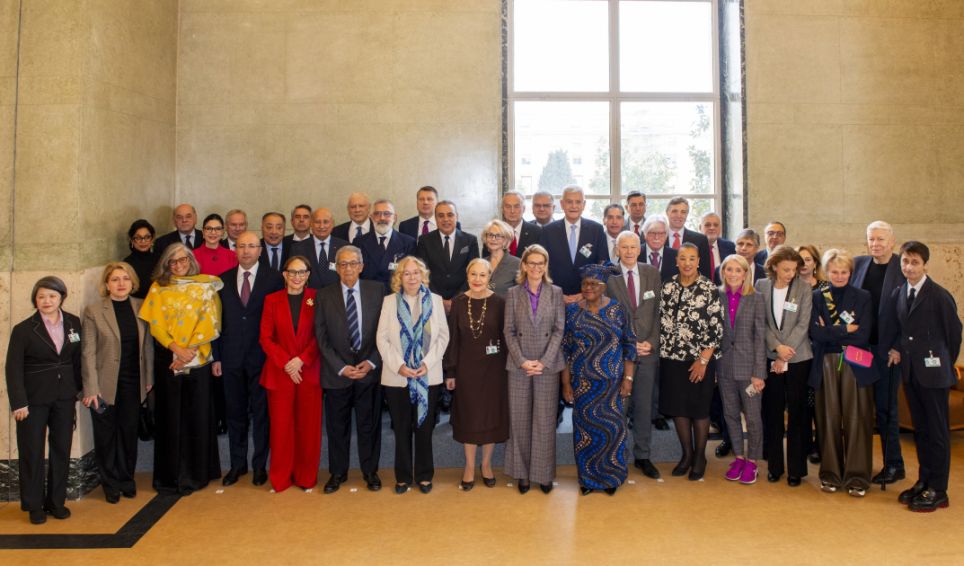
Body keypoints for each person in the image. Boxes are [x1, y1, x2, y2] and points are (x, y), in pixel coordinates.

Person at [885, 241, 962, 512]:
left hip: (934, 376)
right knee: (922, 430)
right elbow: (903, 331)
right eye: (905, 262)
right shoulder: (899, 292)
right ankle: (924, 481)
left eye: (915, 262)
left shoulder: (939, 295)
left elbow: (954, 335)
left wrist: (942, 365)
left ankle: (938, 490)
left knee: (937, 432)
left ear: (925, 265)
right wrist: (897, 349)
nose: (909, 267)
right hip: (911, 373)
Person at [139, 243, 222, 495]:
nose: (178, 265)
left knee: (197, 416)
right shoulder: (158, 288)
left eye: (183, 260)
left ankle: (198, 474)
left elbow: (211, 322)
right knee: (170, 417)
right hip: (169, 360)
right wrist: (176, 348)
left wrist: (188, 352)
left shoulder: (205, 285)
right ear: (166, 264)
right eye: (173, 262)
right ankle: (170, 476)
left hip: (197, 360)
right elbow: (155, 324)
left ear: (191, 260)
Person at [6, 277, 82, 524]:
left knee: (61, 449)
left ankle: (56, 502)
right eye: (41, 297)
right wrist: (19, 402)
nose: (46, 301)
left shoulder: (74, 323)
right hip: (33, 400)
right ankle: (34, 505)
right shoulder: (23, 329)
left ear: (61, 297)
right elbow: (13, 369)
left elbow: (77, 360)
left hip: (65, 397)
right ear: (35, 300)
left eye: (52, 296)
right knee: (32, 451)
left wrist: (80, 389)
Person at [376, 256, 450, 494]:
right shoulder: (389, 302)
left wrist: (427, 364)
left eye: (415, 273)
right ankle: (403, 476)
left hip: (427, 375)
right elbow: (382, 338)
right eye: (406, 273)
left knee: (424, 428)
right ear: (399, 277)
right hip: (398, 376)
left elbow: (443, 337)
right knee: (402, 428)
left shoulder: (435, 300)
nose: (411, 277)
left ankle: (425, 475)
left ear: (423, 276)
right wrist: (399, 365)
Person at [81, 262, 154, 503]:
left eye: (125, 278)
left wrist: (149, 378)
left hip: (134, 383)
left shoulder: (141, 306)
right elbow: (87, 352)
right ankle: (110, 483)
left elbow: (148, 346)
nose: (121, 283)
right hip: (104, 386)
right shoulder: (94, 311)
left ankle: (126, 479)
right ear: (106, 284)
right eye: (115, 279)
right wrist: (91, 388)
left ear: (133, 282)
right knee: (106, 436)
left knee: (128, 433)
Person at [216, 232, 284, 487]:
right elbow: (216, 322)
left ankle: (259, 466)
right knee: (235, 414)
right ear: (234, 250)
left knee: (261, 414)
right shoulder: (222, 281)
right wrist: (216, 357)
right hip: (231, 357)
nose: (246, 251)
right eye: (241, 246)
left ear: (260, 250)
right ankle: (237, 465)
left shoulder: (274, 279)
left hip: (263, 358)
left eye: (252, 246)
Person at [562, 263, 636, 495]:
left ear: (604, 286)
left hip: (612, 383)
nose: (588, 288)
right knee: (585, 434)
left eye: (594, 284)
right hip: (583, 384)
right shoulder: (572, 311)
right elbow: (564, 350)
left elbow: (629, 344)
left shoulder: (617, 309)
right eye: (585, 284)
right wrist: (565, 383)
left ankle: (611, 478)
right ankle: (588, 480)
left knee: (612, 431)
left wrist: (628, 378)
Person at [316, 246, 385, 493]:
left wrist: (373, 362)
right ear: (336, 268)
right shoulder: (324, 295)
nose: (348, 268)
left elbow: (386, 332)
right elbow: (321, 337)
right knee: (337, 428)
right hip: (338, 375)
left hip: (369, 372)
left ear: (361, 266)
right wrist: (341, 367)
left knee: (369, 426)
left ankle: (370, 471)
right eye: (343, 264)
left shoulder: (378, 291)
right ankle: (337, 473)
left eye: (353, 263)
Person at [808, 248, 876, 497]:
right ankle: (830, 475)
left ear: (851, 272)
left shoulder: (863, 296)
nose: (839, 276)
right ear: (826, 272)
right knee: (828, 420)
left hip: (856, 364)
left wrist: (831, 330)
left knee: (858, 420)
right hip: (825, 363)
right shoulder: (817, 297)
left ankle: (858, 477)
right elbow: (815, 333)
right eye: (834, 272)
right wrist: (846, 329)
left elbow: (863, 334)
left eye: (844, 272)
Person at [503, 244, 565, 494]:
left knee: (545, 422)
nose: (536, 267)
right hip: (519, 366)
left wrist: (544, 361)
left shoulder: (556, 292)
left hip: (546, 366)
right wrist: (522, 360)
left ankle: (543, 474)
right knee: (519, 421)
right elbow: (508, 330)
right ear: (524, 266)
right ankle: (522, 474)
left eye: (541, 263)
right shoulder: (513, 293)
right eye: (532, 263)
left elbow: (559, 329)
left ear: (546, 266)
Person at [659, 243, 723, 481]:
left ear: (698, 261)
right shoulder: (667, 286)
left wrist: (703, 360)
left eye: (692, 258)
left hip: (700, 359)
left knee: (699, 409)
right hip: (671, 359)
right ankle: (687, 455)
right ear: (676, 261)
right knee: (679, 408)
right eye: (683, 258)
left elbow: (716, 327)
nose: (687, 263)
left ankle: (700, 457)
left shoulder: (708, 287)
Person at [444, 258, 510, 491]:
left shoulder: (500, 303)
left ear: (489, 277)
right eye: (473, 274)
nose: (477, 279)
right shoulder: (458, 302)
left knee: (490, 416)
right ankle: (470, 467)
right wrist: (451, 372)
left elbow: (506, 338)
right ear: (467, 275)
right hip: (466, 371)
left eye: (483, 275)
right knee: (470, 417)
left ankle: (487, 465)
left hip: (494, 370)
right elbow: (452, 340)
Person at [259, 256, 322, 492]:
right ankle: (281, 478)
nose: (297, 276)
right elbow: (265, 338)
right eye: (292, 272)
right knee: (281, 428)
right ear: (284, 274)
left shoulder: (317, 298)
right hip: (280, 372)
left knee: (309, 428)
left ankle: (306, 477)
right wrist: (287, 362)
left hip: (309, 372)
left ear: (308, 275)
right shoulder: (272, 300)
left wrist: (301, 360)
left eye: (302, 272)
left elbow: (321, 335)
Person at [851, 221, 906, 485]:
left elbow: (909, 315)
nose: (875, 244)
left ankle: (894, 465)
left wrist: (898, 347)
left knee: (886, 410)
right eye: (871, 239)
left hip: (888, 353)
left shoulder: (902, 269)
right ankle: (860, 463)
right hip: (861, 351)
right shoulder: (858, 264)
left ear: (892, 242)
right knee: (861, 409)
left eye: (881, 239)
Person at [605, 232, 662, 480]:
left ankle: (643, 456)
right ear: (617, 250)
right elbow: (605, 316)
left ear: (640, 249)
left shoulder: (652, 273)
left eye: (633, 247)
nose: (629, 251)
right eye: (624, 247)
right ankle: (616, 456)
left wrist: (652, 342)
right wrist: (626, 343)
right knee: (620, 405)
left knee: (644, 405)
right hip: (620, 353)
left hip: (647, 352)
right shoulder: (609, 276)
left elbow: (659, 313)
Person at [756, 246, 813, 486]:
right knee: (773, 413)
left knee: (798, 414)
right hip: (772, 356)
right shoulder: (761, 286)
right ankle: (775, 466)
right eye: (786, 269)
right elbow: (761, 322)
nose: (791, 274)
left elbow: (803, 324)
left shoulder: (804, 288)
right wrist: (776, 348)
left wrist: (785, 352)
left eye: (794, 270)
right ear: (774, 266)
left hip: (798, 358)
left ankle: (796, 470)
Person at [716, 255, 766, 485]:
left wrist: (759, 373)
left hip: (749, 370)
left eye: (738, 270)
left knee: (753, 417)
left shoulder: (756, 298)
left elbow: (760, 338)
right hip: (724, 366)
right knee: (730, 414)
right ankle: (738, 457)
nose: (733, 274)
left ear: (746, 273)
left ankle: (752, 461)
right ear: (723, 272)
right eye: (729, 269)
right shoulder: (717, 296)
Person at [538, 185, 609, 300]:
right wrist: (557, 294)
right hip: (555, 297)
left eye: (578, 202)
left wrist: (585, 293)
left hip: (589, 298)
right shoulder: (548, 231)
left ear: (584, 204)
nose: (574, 206)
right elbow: (542, 266)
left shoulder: (597, 230)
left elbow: (603, 265)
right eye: (569, 202)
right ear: (562, 204)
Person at [415, 200, 479, 312]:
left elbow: (473, 273)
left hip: (463, 301)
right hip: (432, 302)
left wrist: (456, 300)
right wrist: (438, 300)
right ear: (435, 218)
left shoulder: (470, 240)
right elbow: (422, 272)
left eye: (450, 215)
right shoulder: (424, 241)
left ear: (457, 217)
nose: (445, 219)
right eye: (441, 216)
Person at [358, 199, 416, 293]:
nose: (382, 218)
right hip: (368, 295)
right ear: (371, 218)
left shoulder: (408, 243)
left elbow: (411, 276)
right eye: (377, 214)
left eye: (387, 214)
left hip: (397, 295)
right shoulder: (359, 242)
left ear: (395, 218)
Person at [290, 207, 348, 290]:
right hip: (308, 295)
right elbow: (293, 277)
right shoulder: (297, 249)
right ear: (311, 224)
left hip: (336, 295)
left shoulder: (345, 247)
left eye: (325, 222)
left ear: (332, 224)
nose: (321, 226)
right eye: (317, 222)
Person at [664, 197, 713, 279]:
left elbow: (705, 273)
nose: (679, 216)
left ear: (687, 214)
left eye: (683, 212)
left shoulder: (700, 240)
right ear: (667, 213)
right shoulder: (658, 239)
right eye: (674, 211)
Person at [481, 219, 521, 297]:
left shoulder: (517, 264)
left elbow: (520, 295)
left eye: (498, 236)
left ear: (506, 240)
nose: (493, 239)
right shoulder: (480, 263)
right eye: (490, 235)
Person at [498, 190, 542, 257]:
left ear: (523, 209)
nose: (512, 211)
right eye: (508, 206)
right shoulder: (493, 232)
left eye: (516, 206)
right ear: (502, 209)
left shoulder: (537, 232)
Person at [123, 219, 158, 299]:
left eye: (147, 237)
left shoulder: (160, 259)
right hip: (138, 304)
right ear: (132, 240)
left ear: (152, 239)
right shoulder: (126, 264)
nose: (143, 241)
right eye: (138, 238)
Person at [640, 214, 678, 283]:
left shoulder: (676, 256)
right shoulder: (635, 253)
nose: (656, 237)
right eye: (652, 233)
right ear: (645, 234)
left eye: (661, 233)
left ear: (666, 235)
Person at [700, 211, 735, 285]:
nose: (712, 228)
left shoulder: (730, 247)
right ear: (700, 228)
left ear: (720, 228)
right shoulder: (694, 247)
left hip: (724, 289)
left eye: (716, 225)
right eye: (707, 225)